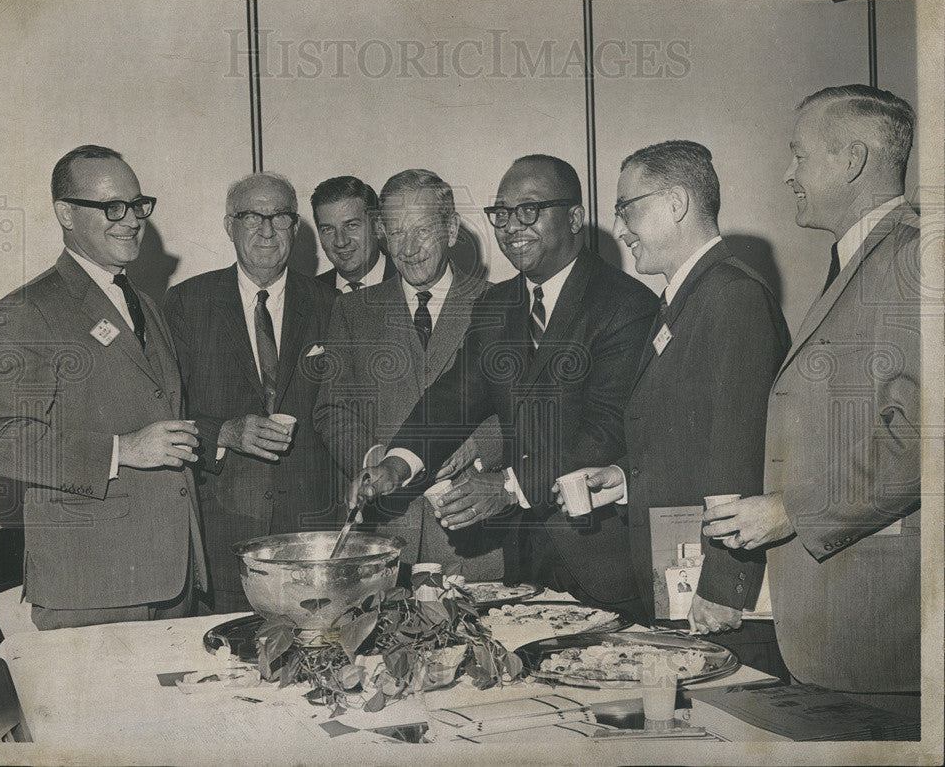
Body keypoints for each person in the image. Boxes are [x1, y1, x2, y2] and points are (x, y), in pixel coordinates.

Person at [347, 155, 659, 616]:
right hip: (527, 565)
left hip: (604, 562)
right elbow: (454, 395)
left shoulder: (625, 304)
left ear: (573, 218)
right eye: (501, 213)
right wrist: (398, 463)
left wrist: (508, 486)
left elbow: (605, 433)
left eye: (529, 210)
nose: (512, 226)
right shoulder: (502, 301)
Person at [703, 85, 921, 710]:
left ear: (852, 160)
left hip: (881, 634)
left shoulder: (913, 260)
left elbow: (923, 442)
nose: (788, 173)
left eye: (798, 154)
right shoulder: (863, 259)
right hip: (837, 624)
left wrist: (792, 510)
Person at [562, 140, 790, 677]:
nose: (619, 228)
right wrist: (624, 477)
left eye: (627, 207)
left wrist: (722, 586)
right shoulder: (686, 297)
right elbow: (683, 438)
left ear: (677, 203)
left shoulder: (730, 295)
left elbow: (739, 451)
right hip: (680, 568)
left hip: (713, 593)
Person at [0, 144, 207, 629]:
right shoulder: (28, 310)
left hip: (175, 575)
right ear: (65, 214)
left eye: (137, 205)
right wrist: (122, 450)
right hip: (92, 583)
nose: (131, 220)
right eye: (111, 208)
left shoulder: (144, 302)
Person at [313, 169, 504, 579]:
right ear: (382, 232)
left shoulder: (497, 303)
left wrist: (478, 445)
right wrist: (371, 459)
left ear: (451, 229)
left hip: (473, 532)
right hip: (384, 536)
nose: (409, 248)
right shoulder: (352, 311)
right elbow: (332, 409)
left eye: (422, 231)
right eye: (397, 233)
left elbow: (522, 408)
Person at [163, 172, 337, 613]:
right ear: (229, 225)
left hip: (313, 532)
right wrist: (224, 432)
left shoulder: (332, 304)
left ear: (296, 229)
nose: (266, 231)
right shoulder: (186, 303)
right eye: (251, 217)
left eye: (279, 217)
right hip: (223, 528)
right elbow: (166, 410)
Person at [311, 175, 395, 293]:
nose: (340, 242)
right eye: (328, 229)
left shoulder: (409, 281)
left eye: (351, 226)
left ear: (377, 226)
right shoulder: (310, 294)